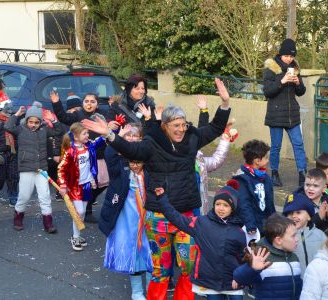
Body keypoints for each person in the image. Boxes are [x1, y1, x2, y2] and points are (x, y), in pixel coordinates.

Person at [82, 77, 231, 299]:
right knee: (160, 270)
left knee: (188, 267)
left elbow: (216, 127)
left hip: (186, 215)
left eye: (183, 124)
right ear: (165, 126)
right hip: (158, 216)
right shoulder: (152, 142)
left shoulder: (192, 137)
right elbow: (130, 150)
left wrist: (225, 102)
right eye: (175, 126)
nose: (181, 130)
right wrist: (109, 135)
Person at [100, 124, 152, 300]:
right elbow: (108, 155)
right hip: (127, 216)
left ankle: (153, 289)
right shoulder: (118, 159)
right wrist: (117, 137)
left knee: (152, 251)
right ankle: (137, 291)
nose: (130, 138)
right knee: (133, 251)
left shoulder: (149, 159)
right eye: (127, 135)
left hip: (149, 215)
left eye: (134, 135)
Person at [51, 91, 112, 223]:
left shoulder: (102, 115)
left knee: (102, 183)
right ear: (82, 103)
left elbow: (112, 124)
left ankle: (89, 202)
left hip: (100, 155)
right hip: (83, 156)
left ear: (97, 104)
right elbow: (63, 117)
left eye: (92, 102)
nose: (89, 104)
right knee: (87, 182)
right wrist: (56, 103)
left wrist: (113, 107)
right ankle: (86, 208)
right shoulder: (78, 114)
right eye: (86, 101)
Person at [5, 102, 63, 234]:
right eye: (31, 122)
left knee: (45, 196)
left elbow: (59, 131)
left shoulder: (44, 130)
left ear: (40, 122)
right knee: (24, 196)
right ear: (26, 121)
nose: (33, 125)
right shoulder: (20, 129)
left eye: (37, 122)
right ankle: (18, 218)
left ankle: (48, 222)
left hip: (41, 169)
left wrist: (53, 120)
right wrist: (17, 115)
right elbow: (7, 126)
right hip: (26, 168)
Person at [263, 38, 307, 187]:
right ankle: (274, 173)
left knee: (298, 144)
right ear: (281, 54)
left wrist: (297, 83)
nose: (289, 59)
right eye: (287, 56)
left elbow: (301, 92)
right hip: (276, 114)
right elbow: (268, 92)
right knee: (276, 146)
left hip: (292, 115)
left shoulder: (295, 68)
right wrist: (282, 81)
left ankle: (302, 173)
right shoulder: (271, 69)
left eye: (292, 56)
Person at [57, 122, 106, 250]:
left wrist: (110, 131)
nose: (87, 135)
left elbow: (100, 140)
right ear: (76, 137)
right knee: (79, 211)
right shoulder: (70, 152)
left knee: (82, 212)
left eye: (87, 133)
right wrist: (62, 185)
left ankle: (78, 234)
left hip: (87, 184)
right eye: (85, 133)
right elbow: (61, 169)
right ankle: (75, 236)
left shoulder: (89, 146)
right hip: (75, 186)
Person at [233, 214, 302, 300]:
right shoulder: (262, 258)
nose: (297, 239)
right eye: (293, 236)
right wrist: (253, 268)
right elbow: (239, 278)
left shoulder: (294, 258)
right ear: (279, 240)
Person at [194, 95, 235, 215]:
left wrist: (225, 139)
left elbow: (216, 160)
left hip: (198, 214)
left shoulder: (199, 161)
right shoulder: (170, 158)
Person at [233, 139, 275, 240]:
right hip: (252, 228)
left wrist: (274, 220)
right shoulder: (242, 179)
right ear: (257, 160)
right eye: (266, 158)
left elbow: (269, 202)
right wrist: (250, 225)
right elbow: (244, 204)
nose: (268, 160)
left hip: (265, 224)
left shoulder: (265, 177)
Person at [282, 192, 326, 276]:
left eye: (298, 212)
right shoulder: (283, 237)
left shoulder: (320, 235)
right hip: (294, 283)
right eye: (290, 213)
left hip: (316, 281)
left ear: (309, 216)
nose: (294, 216)